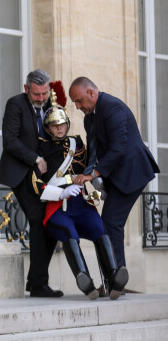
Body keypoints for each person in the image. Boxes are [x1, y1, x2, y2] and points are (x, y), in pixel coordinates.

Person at [32, 88, 128, 300]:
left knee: (99, 228)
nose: (59, 128)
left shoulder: (77, 144)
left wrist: (97, 193)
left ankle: (113, 278)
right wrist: (61, 192)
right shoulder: (41, 149)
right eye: (54, 125)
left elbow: (85, 174)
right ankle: (85, 280)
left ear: (67, 123)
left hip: (82, 204)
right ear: (47, 127)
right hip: (58, 208)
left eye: (62, 124)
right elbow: (37, 185)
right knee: (68, 232)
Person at [69, 77, 160, 272]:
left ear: (91, 93)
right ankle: (114, 278)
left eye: (79, 101)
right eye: (74, 102)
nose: (77, 106)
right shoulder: (89, 117)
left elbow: (117, 149)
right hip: (114, 174)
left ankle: (116, 278)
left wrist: (92, 174)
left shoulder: (113, 108)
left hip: (131, 173)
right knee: (107, 224)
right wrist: (79, 172)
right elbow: (93, 152)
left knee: (110, 222)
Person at [0, 69, 63, 297]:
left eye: (44, 93)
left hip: (46, 175)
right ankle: (38, 284)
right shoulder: (15, 104)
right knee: (37, 219)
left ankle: (36, 279)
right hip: (22, 171)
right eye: (36, 94)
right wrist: (36, 159)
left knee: (52, 222)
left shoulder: (50, 107)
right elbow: (10, 141)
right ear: (27, 89)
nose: (41, 98)